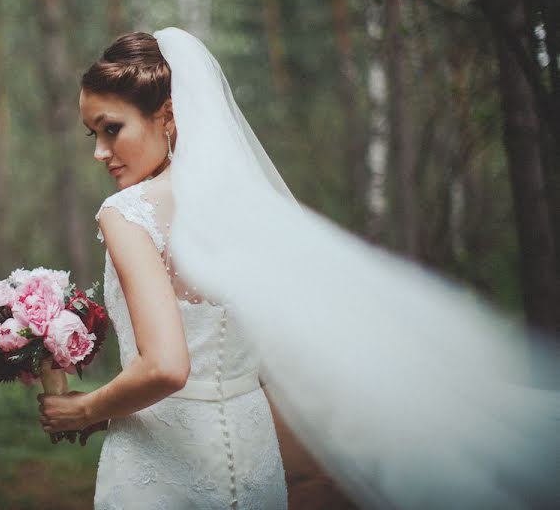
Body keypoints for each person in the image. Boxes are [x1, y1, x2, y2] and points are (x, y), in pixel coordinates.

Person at [38, 27, 560, 510]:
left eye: (112, 129)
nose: (101, 152)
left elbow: (167, 367)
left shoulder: (127, 214)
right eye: (93, 136)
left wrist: (85, 410)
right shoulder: (246, 209)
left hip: (160, 468)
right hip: (253, 458)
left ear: (168, 115)